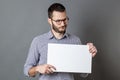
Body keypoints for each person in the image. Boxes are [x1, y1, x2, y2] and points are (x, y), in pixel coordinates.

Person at [24, 3, 97, 80]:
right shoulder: (38, 41)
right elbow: (26, 70)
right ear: (50, 21)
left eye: (65, 19)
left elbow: (83, 74)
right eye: (58, 21)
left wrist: (88, 56)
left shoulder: (75, 40)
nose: (62, 24)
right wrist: (38, 69)